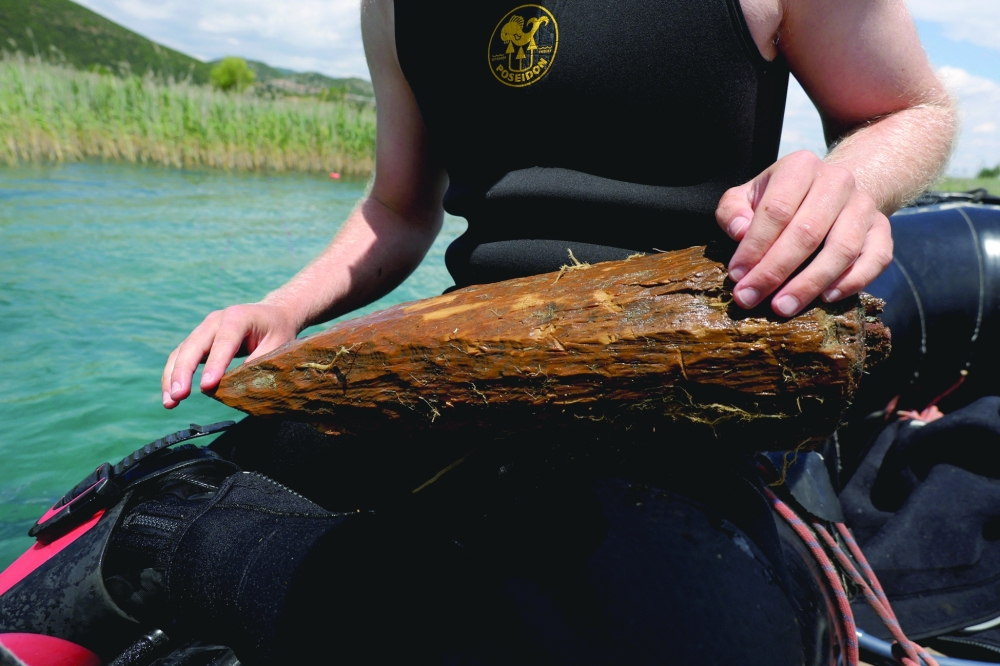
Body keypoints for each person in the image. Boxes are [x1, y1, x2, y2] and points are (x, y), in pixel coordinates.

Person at [2, 0, 958, 664]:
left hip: (682, 380)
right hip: (442, 372)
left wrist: (847, 184)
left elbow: (914, 109)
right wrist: (283, 310)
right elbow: (395, 208)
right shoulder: (398, 6)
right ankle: (167, 532)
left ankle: (186, 546)